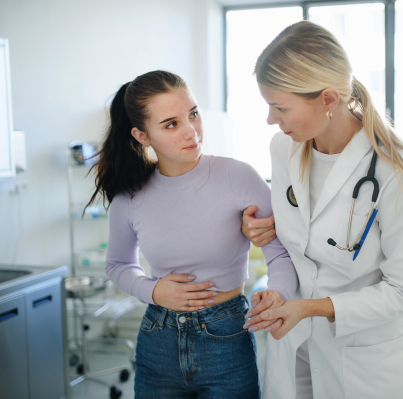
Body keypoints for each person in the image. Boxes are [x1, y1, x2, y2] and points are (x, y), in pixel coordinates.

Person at [241, 21, 403, 399]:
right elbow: (308, 233)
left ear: (328, 99)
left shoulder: (397, 169)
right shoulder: (284, 149)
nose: (270, 120)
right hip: (293, 344)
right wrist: (266, 227)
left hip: (363, 361)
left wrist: (310, 308)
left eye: (280, 107)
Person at [86, 70, 298, 399]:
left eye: (194, 115)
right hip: (158, 340)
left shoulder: (237, 176)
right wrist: (153, 291)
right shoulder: (130, 198)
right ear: (142, 136)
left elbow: (279, 252)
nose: (192, 132)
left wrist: (278, 291)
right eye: (171, 124)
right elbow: (117, 264)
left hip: (227, 337)